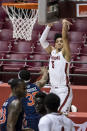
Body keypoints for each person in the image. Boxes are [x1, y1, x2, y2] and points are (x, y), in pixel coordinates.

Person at [40, 19, 73, 114]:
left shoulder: (66, 54)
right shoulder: (52, 51)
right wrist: (48, 26)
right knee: (50, 114)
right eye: (57, 41)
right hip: (53, 89)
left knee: (60, 115)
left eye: (61, 42)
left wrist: (64, 25)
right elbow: (42, 40)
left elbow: (65, 38)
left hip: (63, 90)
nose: (59, 43)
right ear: (55, 43)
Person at [18, 67, 48, 131]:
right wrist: (45, 71)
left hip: (31, 119)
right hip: (42, 116)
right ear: (30, 78)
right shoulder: (37, 85)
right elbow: (44, 79)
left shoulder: (19, 91)